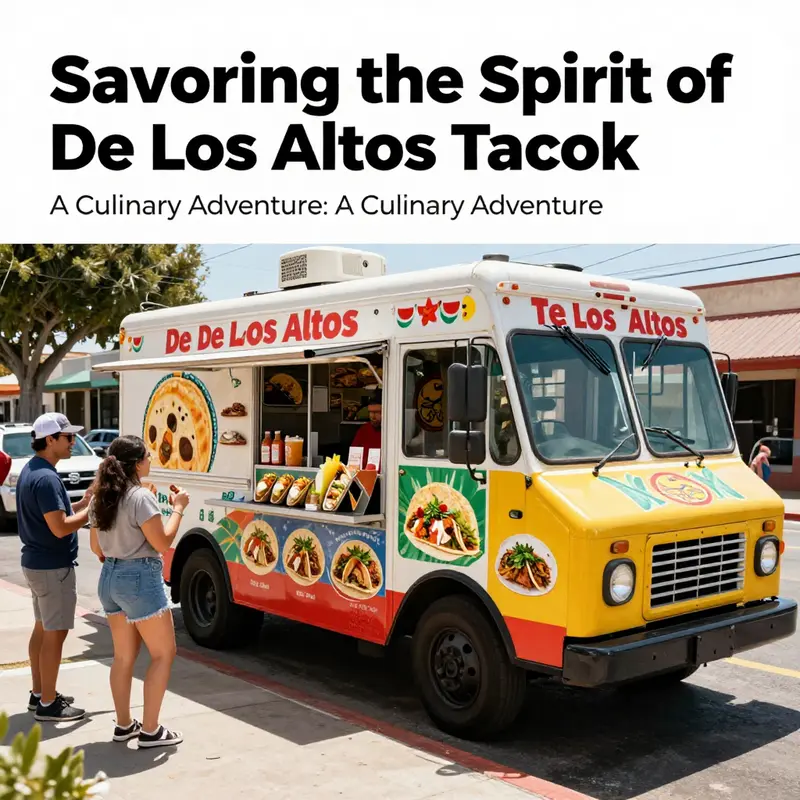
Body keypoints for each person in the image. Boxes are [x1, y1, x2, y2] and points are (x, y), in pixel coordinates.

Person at [89, 435, 189, 748]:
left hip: (109, 577)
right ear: (136, 465)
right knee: (163, 654)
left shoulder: (101, 497)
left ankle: (124, 725)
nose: (150, 460)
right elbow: (163, 542)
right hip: (139, 578)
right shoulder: (140, 497)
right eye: (147, 456)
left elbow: (96, 548)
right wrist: (178, 509)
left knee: (123, 656)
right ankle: (150, 730)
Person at [17, 413, 92, 722]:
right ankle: (49, 703)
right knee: (55, 635)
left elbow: (53, 515)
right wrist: (92, 511)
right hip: (52, 567)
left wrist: (83, 503)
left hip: (37, 564)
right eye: (68, 437)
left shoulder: (33, 470)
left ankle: (39, 693)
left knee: (42, 629)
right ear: (50, 440)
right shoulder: (47, 478)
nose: (73, 442)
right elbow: (60, 528)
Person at [350, 390, 382, 468]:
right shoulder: (363, 430)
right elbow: (353, 457)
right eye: (370, 412)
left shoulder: (392, 432)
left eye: (377, 412)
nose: (373, 417)